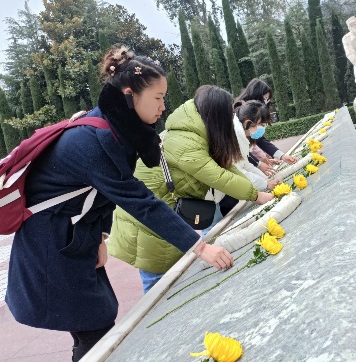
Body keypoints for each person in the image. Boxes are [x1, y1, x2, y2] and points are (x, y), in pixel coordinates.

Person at [5, 47, 233, 362]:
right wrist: (200, 247)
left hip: (73, 233)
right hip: (49, 243)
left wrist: (100, 236)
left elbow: (102, 193)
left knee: (93, 321)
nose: (163, 107)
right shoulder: (94, 140)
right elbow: (141, 202)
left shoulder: (115, 129)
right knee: (94, 326)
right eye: (158, 98)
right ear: (129, 95)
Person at [108, 86, 275, 293]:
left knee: (171, 277)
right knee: (158, 282)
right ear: (215, 114)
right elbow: (216, 175)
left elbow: (225, 165)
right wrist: (256, 195)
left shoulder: (197, 132)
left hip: (163, 212)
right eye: (227, 115)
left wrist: (256, 192)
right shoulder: (185, 140)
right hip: (146, 220)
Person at [214, 100, 282, 220]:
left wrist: (266, 180)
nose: (263, 128)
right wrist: (266, 184)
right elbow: (238, 172)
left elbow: (245, 164)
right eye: (260, 124)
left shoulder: (241, 136)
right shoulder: (231, 137)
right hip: (216, 198)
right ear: (248, 123)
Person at [235, 79, 297, 174]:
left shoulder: (253, 112)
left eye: (267, 99)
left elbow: (259, 140)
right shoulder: (242, 115)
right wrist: (260, 162)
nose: (266, 102)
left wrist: (281, 156)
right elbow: (246, 150)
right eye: (265, 98)